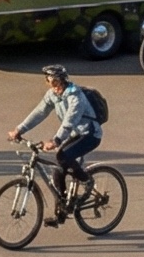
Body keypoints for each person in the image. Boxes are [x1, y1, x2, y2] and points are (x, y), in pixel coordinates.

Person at [10, 66, 104, 209]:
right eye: (48, 81)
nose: (51, 85)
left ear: (62, 81)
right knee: (57, 168)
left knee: (63, 155)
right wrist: (19, 129)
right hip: (74, 134)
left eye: (54, 81)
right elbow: (39, 112)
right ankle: (63, 205)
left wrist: (56, 140)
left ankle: (87, 181)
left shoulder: (75, 96)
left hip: (89, 134)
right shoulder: (52, 95)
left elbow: (70, 120)